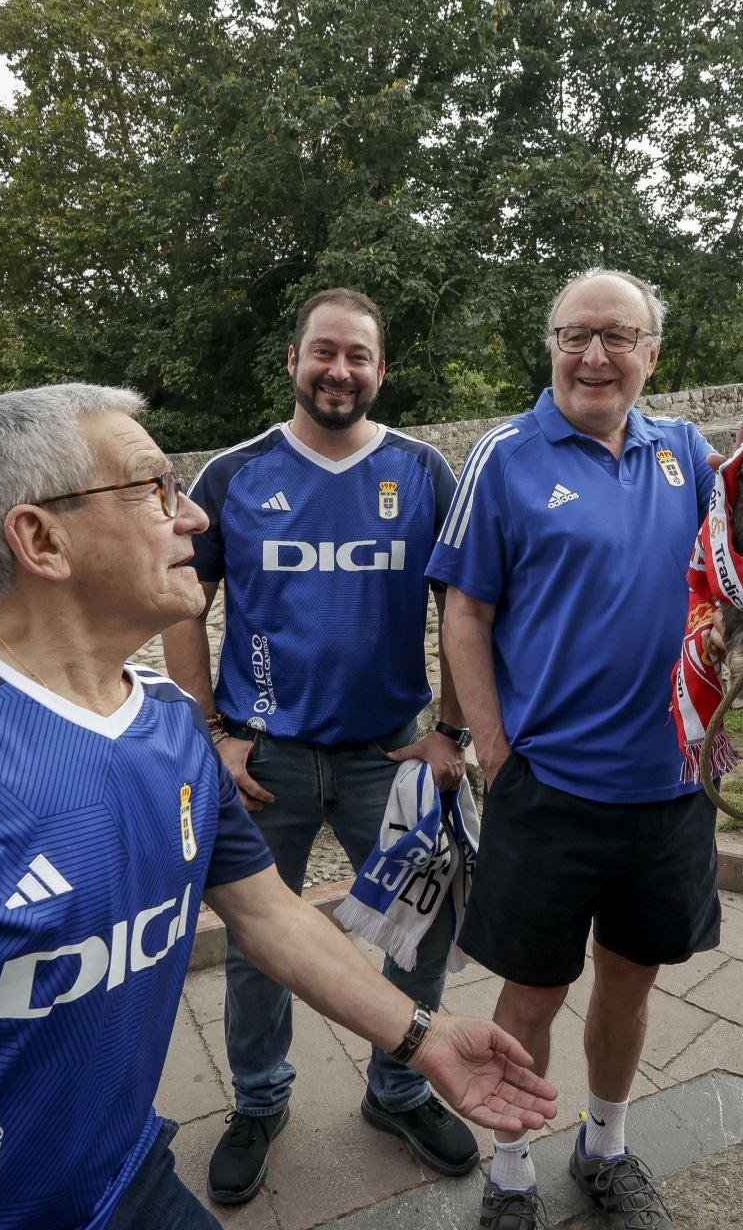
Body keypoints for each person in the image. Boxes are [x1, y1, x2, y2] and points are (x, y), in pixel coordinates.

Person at [0, 383, 556, 1230]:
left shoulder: (165, 718)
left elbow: (269, 911)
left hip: (122, 1179)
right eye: (154, 490)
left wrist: (422, 1036)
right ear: (41, 541)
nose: (194, 516)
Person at [159, 288, 478, 1202]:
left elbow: (460, 611)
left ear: (381, 370)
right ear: (293, 359)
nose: (340, 370)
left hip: (393, 752)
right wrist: (211, 731)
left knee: (423, 920)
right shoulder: (233, 474)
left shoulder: (424, 472)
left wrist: (451, 731)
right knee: (264, 939)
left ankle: (401, 1087)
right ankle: (259, 1099)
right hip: (266, 758)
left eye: (360, 357)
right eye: (324, 352)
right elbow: (185, 606)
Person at [428, 268, 721, 1230]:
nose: (595, 354)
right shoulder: (505, 456)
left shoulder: (692, 456)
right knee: (533, 992)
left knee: (630, 982)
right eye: (575, 334)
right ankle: (511, 1169)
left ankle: (605, 1144)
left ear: (652, 354)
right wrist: (496, 749)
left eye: (618, 336)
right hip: (549, 787)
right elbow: (464, 608)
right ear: (550, 344)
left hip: (671, 785)